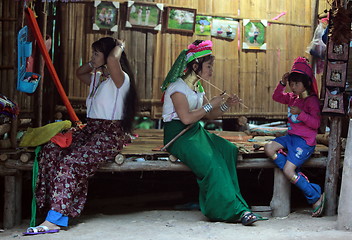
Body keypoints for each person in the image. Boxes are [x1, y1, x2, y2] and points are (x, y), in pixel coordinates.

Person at [23, 37, 138, 235]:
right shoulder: (99, 79)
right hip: (90, 130)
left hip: (108, 135)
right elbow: (80, 72)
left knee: (70, 162)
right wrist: (94, 62)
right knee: (51, 150)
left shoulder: (121, 80)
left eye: (96, 53)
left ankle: (55, 219)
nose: (92, 57)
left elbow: (112, 61)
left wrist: (119, 45)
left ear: (110, 55)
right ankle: (51, 208)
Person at [161, 39, 264, 226]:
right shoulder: (177, 88)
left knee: (228, 150)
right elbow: (186, 119)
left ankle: (231, 200)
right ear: (195, 65)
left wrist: (226, 104)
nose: (211, 71)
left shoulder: (197, 87)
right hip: (178, 136)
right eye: (208, 66)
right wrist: (210, 104)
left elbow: (210, 115)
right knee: (212, 163)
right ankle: (232, 210)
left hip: (194, 132)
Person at [264, 57, 325, 217]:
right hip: (290, 138)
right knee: (269, 148)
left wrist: (302, 114)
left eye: (296, 83)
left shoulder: (311, 101)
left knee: (288, 171)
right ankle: (294, 172)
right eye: (291, 83)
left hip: (305, 142)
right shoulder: (292, 97)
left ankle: (315, 197)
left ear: (306, 83)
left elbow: (316, 124)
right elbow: (276, 97)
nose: (293, 86)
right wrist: (282, 83)